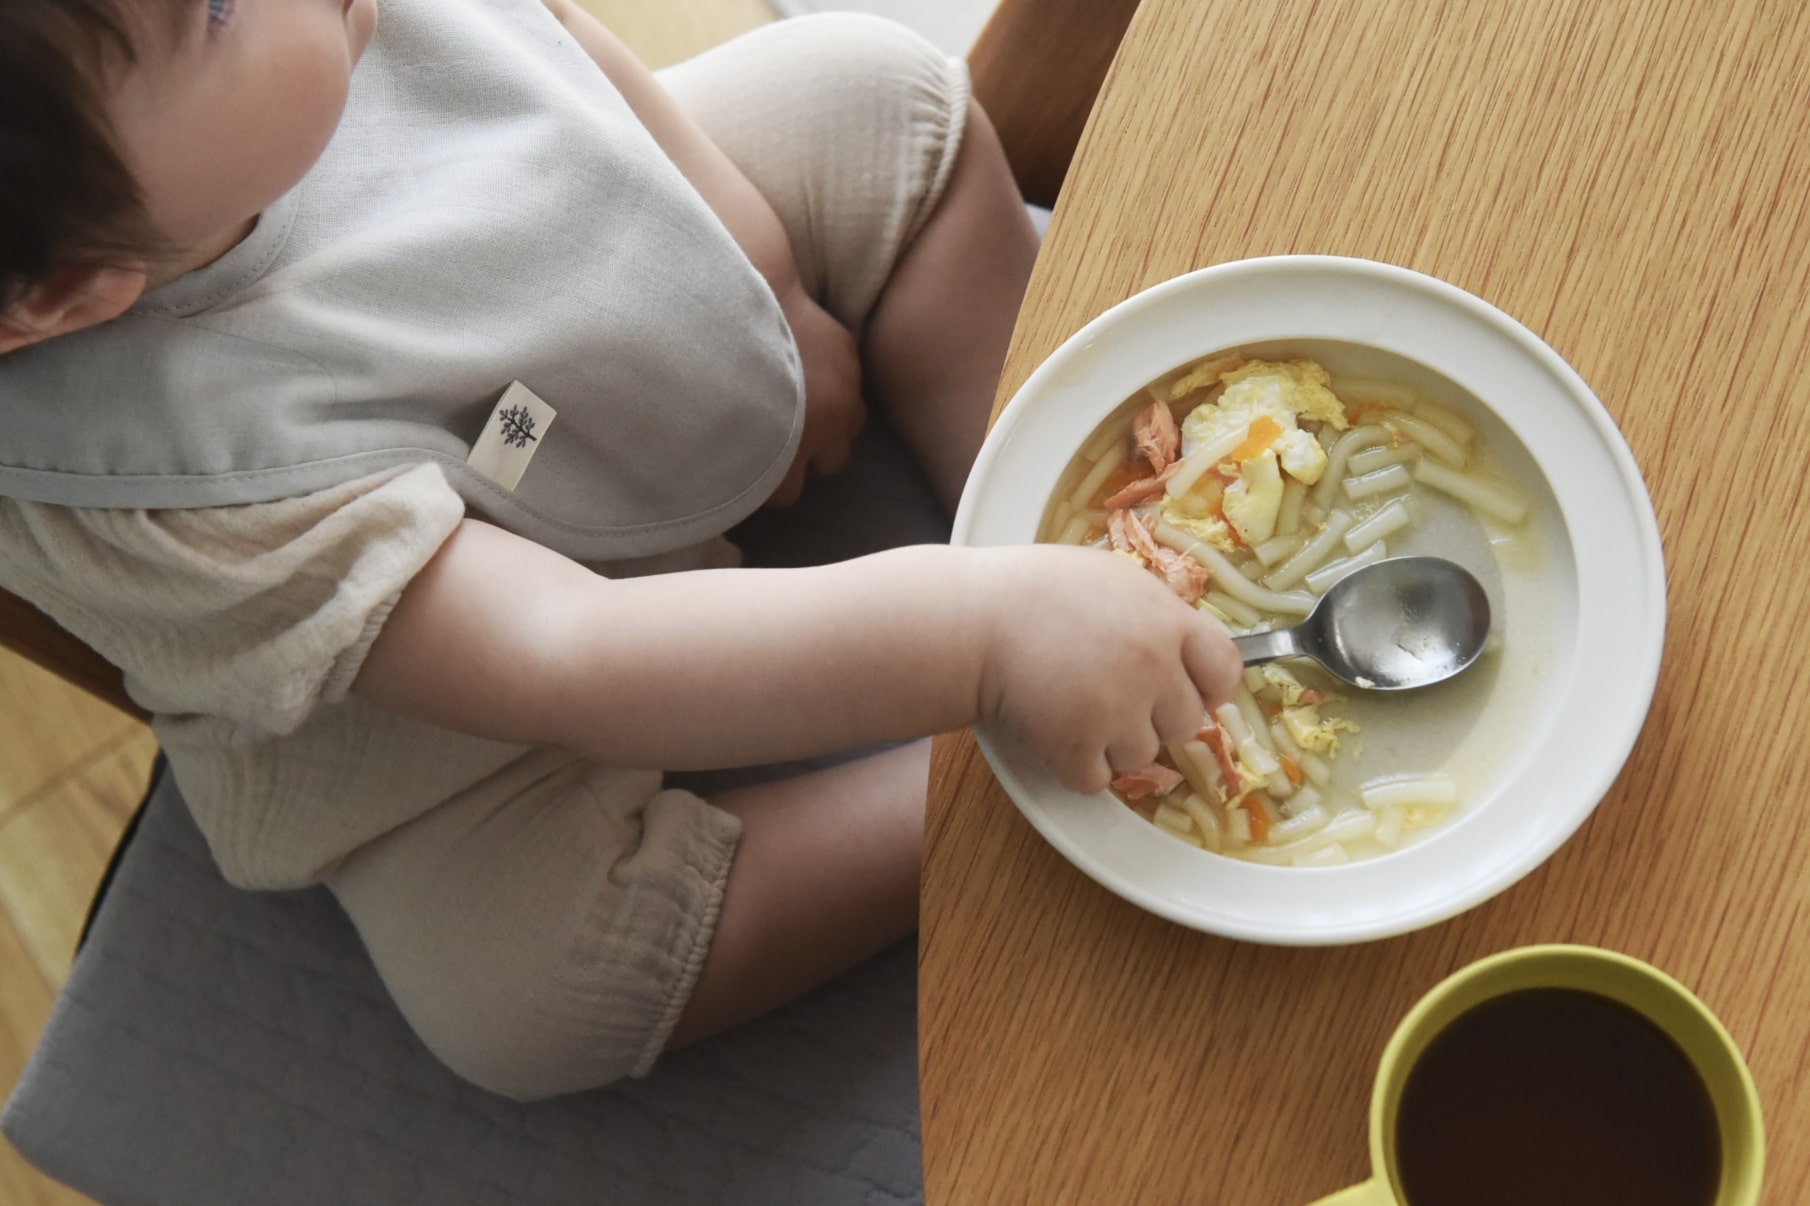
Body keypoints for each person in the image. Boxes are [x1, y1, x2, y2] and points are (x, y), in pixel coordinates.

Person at [0, 0, 1241, 1098]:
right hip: (448, 675)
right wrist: (978, 644)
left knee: (883, 100)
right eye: (215, 9)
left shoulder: (311, 35)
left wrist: (757, 266)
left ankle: (1065, 525)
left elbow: (551, 43)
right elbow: (566, 649)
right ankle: (983, 786)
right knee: (529, 998)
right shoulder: (176, 487)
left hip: (579, 325)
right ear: (63, 294)